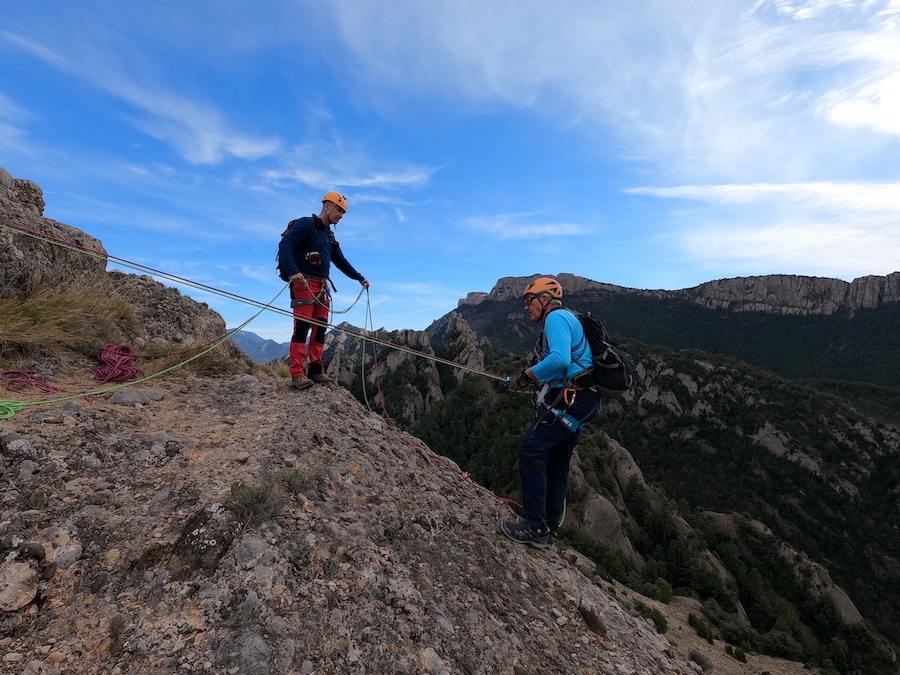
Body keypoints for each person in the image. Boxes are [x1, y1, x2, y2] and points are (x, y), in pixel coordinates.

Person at [502, 276, 602, 548]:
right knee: (557, 461)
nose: (526, 307)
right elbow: (562, 366)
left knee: (530, 450)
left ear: (544, 299)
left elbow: (560, 358)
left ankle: (535, 526)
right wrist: (524, 381)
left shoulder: (556, 319)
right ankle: (549, 527)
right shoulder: (568, 318)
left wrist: (525, 375)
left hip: (572, 401)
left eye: (528, 301)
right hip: (582, 401)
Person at [277, 191, 370, 390]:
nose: (340, 216)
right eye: (338, 210)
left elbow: (341, 261)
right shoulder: (306, 224)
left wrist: (359, 278)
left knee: (320, 330)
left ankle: (316, 369)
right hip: (304, 284)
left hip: (322, 287)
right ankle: (297, 373)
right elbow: (286, 243)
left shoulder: (329, 236)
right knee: (302, 329)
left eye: (343, 213)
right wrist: (294, 272)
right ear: (327, 206)